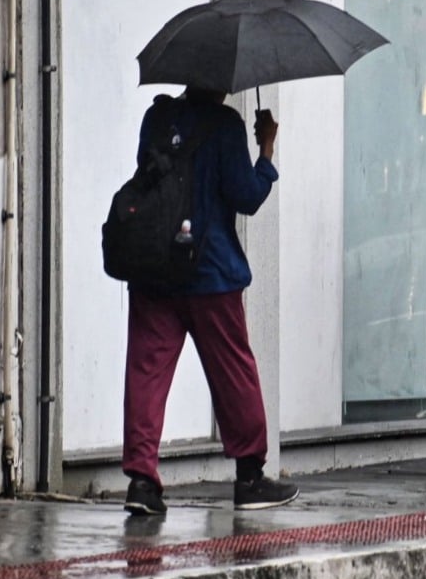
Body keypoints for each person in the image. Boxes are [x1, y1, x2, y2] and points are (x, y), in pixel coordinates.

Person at [122, 85, 299, 515]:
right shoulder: (225, 125)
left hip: (155, 270)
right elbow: (246, 196)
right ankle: (250, 478)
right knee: (233, 372)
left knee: (147, 372)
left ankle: (143, 482)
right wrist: (266, 151)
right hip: (210, 272)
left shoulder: (155, 119)